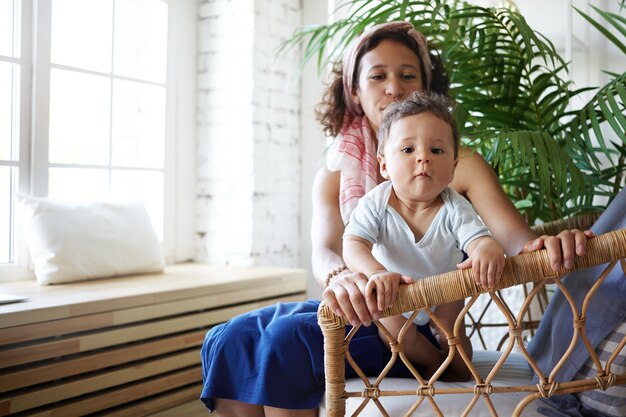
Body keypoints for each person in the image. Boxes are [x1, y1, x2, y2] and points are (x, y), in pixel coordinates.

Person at [200, 21, 591, 417]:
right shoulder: (336, 170)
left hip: (415, 313)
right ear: (354, 90)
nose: (393, 88)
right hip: (356, 300)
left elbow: (514, 240)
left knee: (285, 339)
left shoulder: (456, 163)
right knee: (234, 336)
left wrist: (546, 246)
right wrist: (347, 276)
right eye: (377, 76)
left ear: (426, 86)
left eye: (408, 75)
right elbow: (326, 251)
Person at [342, 90, 505, 379]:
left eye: (437, 151)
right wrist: (376, 272)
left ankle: (457, 364)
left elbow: (476, 238)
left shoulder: (455, 206)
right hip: (395, 295)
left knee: (452, 329)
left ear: (453, 168)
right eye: (408, 150)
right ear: (384, 165)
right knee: (391, 327)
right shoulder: (377, 202)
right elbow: (354, 244)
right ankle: (432, 363)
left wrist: (487, 248)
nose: (423, 159)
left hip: (443, 293)